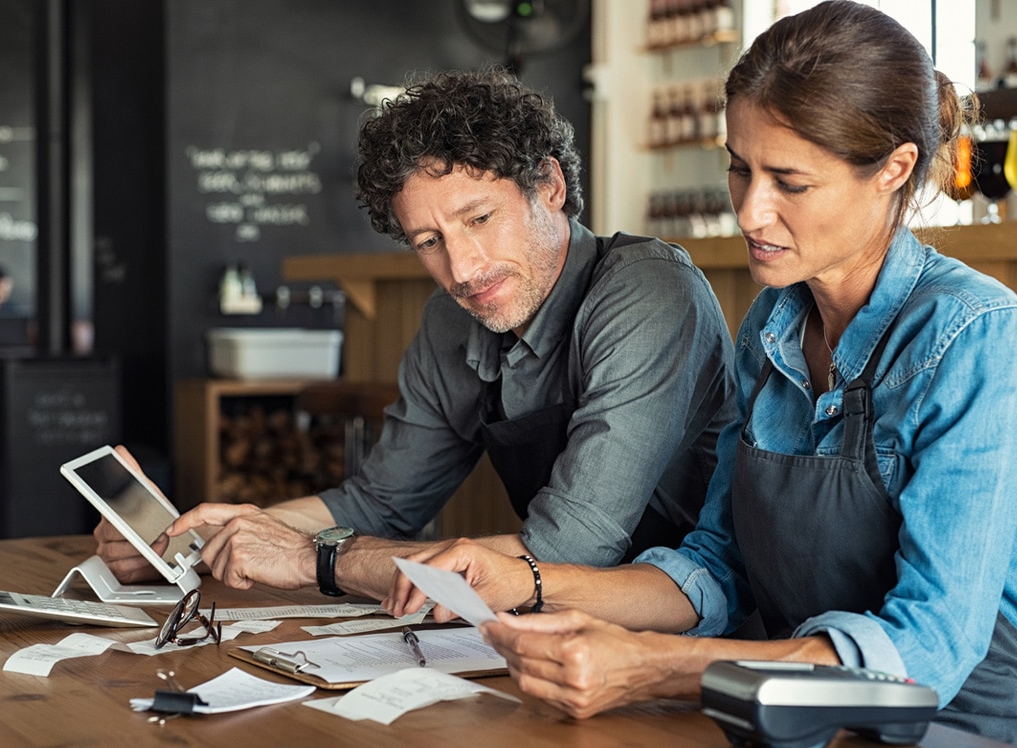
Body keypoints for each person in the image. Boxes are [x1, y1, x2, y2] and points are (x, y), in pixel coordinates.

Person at [384, 3, 1017, 742]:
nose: (750, 211)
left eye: (790, 181)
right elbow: (717, 568)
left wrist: (658, 666)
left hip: (958, 726)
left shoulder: (975, 337)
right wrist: (525, 580)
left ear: (895, 170)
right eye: (740, 168)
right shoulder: (771, 329)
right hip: (785, 718)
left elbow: (929, 651)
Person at [96, 68, 735, 602]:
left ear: (550, 187)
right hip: (557, 631)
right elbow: (380, 501)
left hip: (696, 628)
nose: (461, 269)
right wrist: (202, 536)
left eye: (479, 218)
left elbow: (566, 550)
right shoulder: (452, 319)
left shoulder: (648, 293)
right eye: (429, 242)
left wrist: (314, 560)